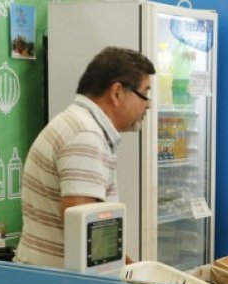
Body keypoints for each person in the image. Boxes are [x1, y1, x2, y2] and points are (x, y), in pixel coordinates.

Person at [15, 47, 155, 268]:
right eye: (144, 94)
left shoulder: (81, 125)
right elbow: (85, 234)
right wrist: (135, 276)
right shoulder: (85, 135)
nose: (148, 104)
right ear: (117, 92)